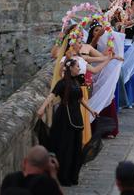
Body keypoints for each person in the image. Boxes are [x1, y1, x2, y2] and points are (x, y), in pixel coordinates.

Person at [37, 58, 98, 186]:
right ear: (70, 68)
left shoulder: (77, 81)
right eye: (77, 67)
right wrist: (42, 108)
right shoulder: (62, 83)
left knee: (76, 147)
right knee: (66, 147)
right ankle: (63, 176)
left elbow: (80, 99)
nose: (79, 69)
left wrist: (91, 110)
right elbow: (51, 95)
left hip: (76, 117)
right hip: (65, 118)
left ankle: (72, 175)